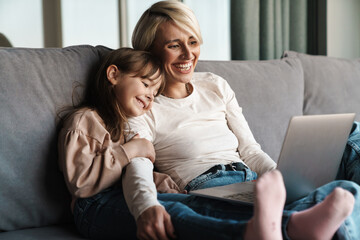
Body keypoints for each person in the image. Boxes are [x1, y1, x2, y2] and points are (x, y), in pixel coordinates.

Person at [121, 1, 360, 239]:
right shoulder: (142, 105)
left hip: (252, 181)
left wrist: (281, 180)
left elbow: (251, 151)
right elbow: (138, 164)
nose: (188, 54)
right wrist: (145, 206)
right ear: (148, 51)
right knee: (344, 194)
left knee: (351, 136)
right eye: (174, 45)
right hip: (207, 188)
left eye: (193, 42)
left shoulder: (214, 84)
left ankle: (294, 217)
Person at [57, 47, 303, 239]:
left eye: (154, 94)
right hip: (92, 207)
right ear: (113, 74)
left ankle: (292, 224)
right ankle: (259, 233)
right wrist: (130, 151)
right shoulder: (84, 121)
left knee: (197, 205)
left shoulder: (123, 126)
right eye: (145, 85)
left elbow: (125, 177)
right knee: (176, 214)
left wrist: (166, 185)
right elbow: (81, 182)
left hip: (123, 198)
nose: (150, 98)